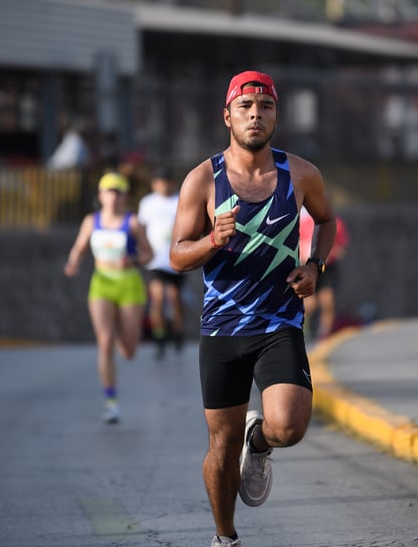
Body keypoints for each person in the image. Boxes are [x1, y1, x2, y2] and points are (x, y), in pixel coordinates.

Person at [169, 70, 337, 547]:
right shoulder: (204, 179)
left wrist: (315, 265)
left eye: (264, 108)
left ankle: (258, 441)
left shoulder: (300, 174)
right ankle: (226, 538)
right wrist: (211, 241)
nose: (255, 116)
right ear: (228, 116)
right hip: (221, 328)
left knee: (289, 424)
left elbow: (326, 220)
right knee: (219, 446)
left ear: (275, 116)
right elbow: (177, 255)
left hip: (279, 321)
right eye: (245, 108)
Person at [64, 172, 154, 423]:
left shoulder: (132, 222)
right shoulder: (91, 222)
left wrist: (134, 259)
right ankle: (110, 401)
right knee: (104, 343)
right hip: (102, 283)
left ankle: (116, 332)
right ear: (101, 196)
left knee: (128, 350)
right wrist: (73, 263)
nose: (113, 197)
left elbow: (149, 254)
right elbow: (79, 247)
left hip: (128, 284)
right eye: (108, 192)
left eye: (118, 192)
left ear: (124, 196)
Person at [138, 167, 186, 358]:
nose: (163, 185)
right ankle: (159, 338)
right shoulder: (147, 203)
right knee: (157, 298)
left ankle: (177, 331)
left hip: (174, 258)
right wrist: (142, 250)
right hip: (155, 259)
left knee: (174, 298)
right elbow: (141, 228)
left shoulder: (179, 200)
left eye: (166, 181)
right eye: (159, 181)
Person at [299, 207, 350, 340]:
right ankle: (303, 331)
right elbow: (297, 246)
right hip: (309, 266)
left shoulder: (336, 223)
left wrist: (328, 253)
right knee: (309, 304)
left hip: (326, 267)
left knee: (327, 302)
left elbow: (341, 248)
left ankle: (324, 335)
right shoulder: (304, 223)